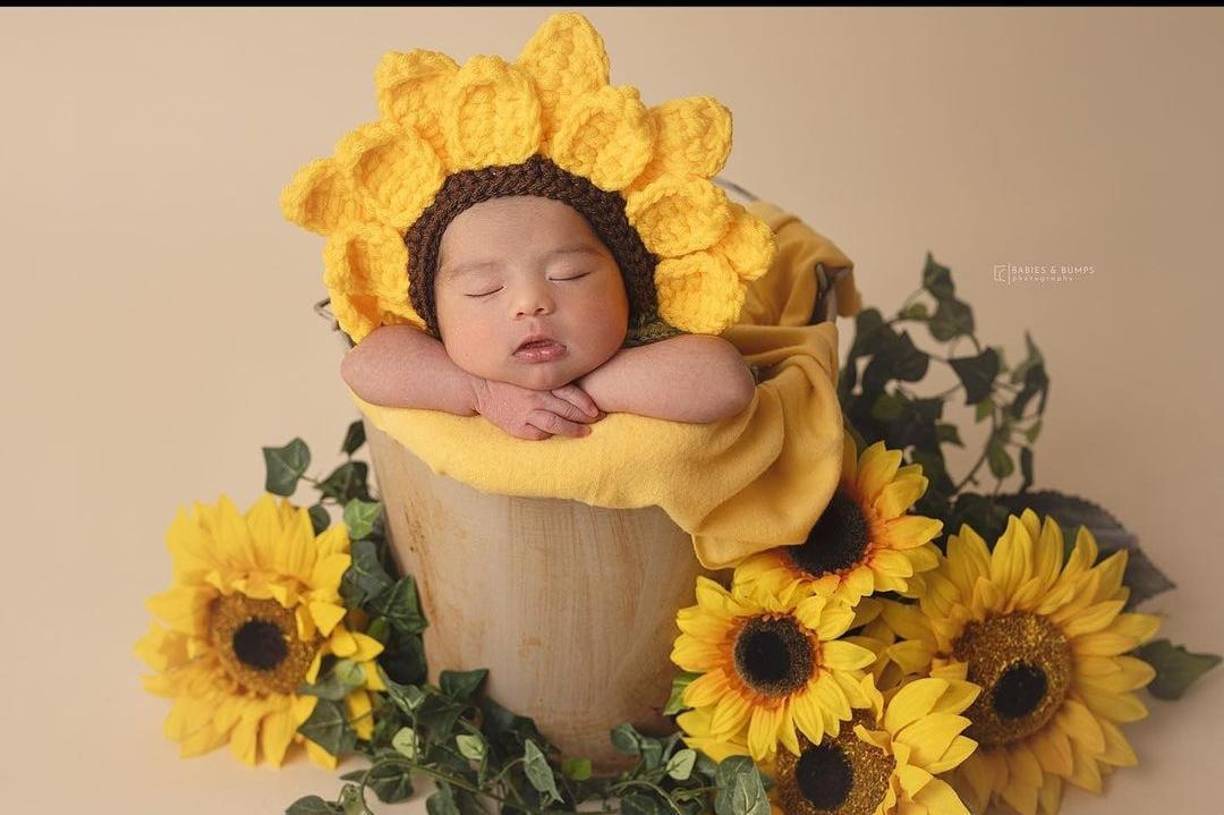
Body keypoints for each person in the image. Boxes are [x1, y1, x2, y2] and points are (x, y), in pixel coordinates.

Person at [340, 194, 757, 441]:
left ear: (627, 286)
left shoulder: (644, 331)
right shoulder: (439, 351)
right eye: (484, 287)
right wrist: (480, 391)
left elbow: (726, 381)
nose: (530, 302)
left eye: (568, 275)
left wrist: (585, 386)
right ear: (436, 316)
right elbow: (363, 364)